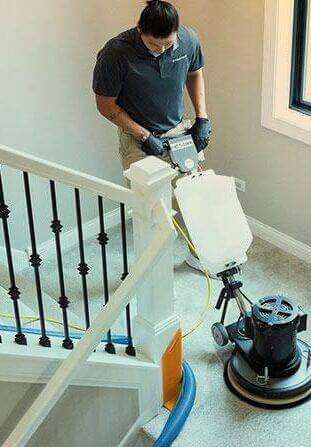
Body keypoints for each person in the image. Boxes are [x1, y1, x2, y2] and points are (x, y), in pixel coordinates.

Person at [93, 0, 212, 274]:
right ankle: (152, 273)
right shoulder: (115, 53)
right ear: (139, 29)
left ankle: (199, 256)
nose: (161, 51)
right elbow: (105, 105)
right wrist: (144, 136)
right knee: (150, 212)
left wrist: (202, 117)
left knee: (195, 197)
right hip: (138, 139)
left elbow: (195, 73)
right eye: (154, 45)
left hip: (179, 133)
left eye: (167, 45)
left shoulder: (188, 39)